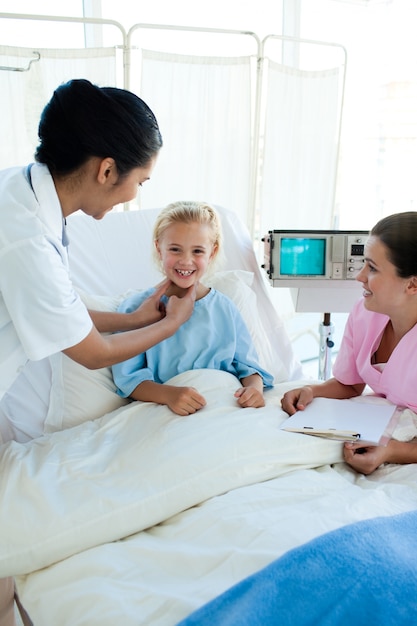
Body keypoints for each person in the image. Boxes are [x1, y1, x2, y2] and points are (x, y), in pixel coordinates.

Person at [0, 79, 196, 626]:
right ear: (107, 170)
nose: (138, 193)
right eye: (142, 179)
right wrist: (170, 325)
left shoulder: (23, 193)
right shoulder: (23, 234)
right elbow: (89, 352)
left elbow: (65, 307)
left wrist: (136, 317)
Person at [281, 211, 417, 476]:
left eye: (373, 268)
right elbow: (351, 383)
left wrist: (392, 451)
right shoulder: (365, 313)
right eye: (365, 264)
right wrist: (312, 390)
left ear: (412, 284)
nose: (360, 276)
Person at [112, 201, 274, 415]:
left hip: (224, 407)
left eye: (197, 251)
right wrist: (170, 395)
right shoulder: (135, 310)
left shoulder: (225, 308)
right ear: (159, 248)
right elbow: (128, 379)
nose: (186, 261)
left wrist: (254, 390)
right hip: (168, 411)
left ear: (212, 252)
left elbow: (248, 368)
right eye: (175, 249)